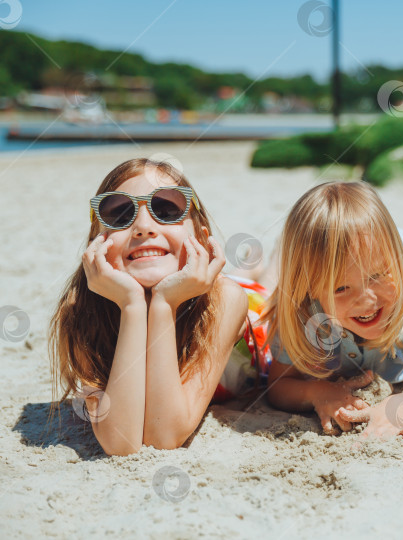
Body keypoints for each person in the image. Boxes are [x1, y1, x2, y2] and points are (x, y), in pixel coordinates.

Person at [49, 158, 266, 455]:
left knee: (269, 284)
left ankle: (260, 269)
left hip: (255, 306)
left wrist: (164, 304)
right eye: (120, 213)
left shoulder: (224, 299)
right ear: (95, 243)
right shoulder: (80, 311)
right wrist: (132, 307)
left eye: (166, 209)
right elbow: (120, 441)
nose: (143, 226)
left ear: (201, 235)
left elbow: (164, 436)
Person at [263, 181, 403, 444]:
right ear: (310, 289)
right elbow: (279, 385)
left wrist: (399, 406)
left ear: (394, 260)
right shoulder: (299, 308)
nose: (366, 300)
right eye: (341, 288)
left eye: (376, 276)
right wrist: (316, 391)